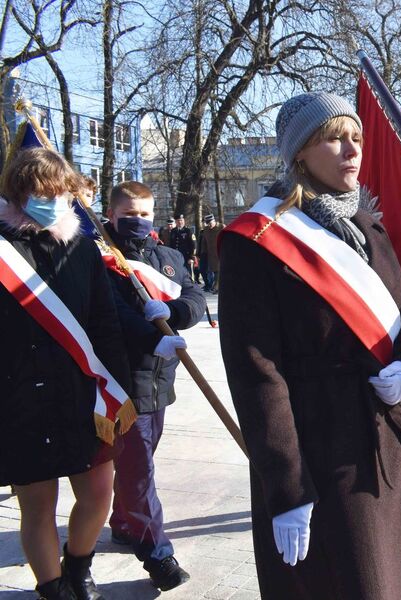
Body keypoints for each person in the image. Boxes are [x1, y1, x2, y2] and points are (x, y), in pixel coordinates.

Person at [217, 92, 401, 599]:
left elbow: (397, 330)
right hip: (320, 451)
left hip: (389, 441)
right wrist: (287, 487)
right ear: (299, 151)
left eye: (357, 138)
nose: (352, 150)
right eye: (333, 138)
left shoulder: (369, 226)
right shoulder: (255, 240)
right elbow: (256, 371)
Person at [0, 147, 134, 600]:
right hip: (18, 397)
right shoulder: (3, 249)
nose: (51, 199)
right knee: (38, 505)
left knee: (99, 493)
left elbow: (105, 321)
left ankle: (78, 566)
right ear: (18, 193)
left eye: (58, 191)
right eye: (39, 191)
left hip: (81, 393)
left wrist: (121, 388)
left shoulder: (80, 247)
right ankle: (52, 587)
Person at [103, 181, 205, 591]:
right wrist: (150, 336)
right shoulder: (101, 259)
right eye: (129, 214)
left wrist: (175, 311)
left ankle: (123, 522)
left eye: (144, 214)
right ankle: (157, 553)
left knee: (138, 461)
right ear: (110, 215)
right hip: (123, 378)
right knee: (139, 469)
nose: (138, 221)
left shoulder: (169, 256)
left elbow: (195, 294)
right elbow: (110, 313)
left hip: (161, 377)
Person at [197, 214, 223, 292]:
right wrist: (202, 254)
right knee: (211, 271)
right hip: (210, 254)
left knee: (218, 270)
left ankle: (216, 288)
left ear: (214, 221)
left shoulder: (221, 227)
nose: (209, 225)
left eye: (210, 223)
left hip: (219, 253)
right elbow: (204, 243)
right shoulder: (206, 229)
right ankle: (213, 286)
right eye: (207, 223)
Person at [168, 214, 196, 282]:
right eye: (178, 220)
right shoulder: (173, 231)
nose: (180, 222)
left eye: (181, 220)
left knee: (188, 273)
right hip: (176, 256)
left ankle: (191, 285)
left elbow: (194, 245)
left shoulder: (188, 231)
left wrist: (192, 257)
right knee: (178, 272)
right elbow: (171, 244)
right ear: (176, 222)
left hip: (186, 256)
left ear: (184, 221)